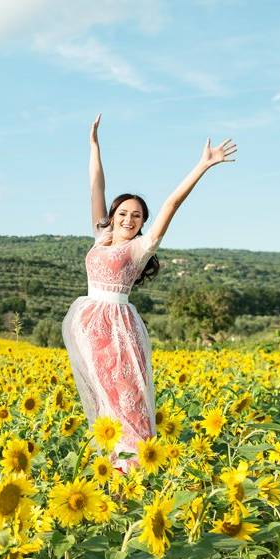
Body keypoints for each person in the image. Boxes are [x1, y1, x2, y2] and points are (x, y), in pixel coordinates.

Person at [62, 113, 236, 470]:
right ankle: (113, 465)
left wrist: (202, 165)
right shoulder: (102, 235)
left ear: (142, 222)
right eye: (124, 213)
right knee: (105, 398)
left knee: (129, 397)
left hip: (118, 329)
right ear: (114, 215)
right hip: (90, 327)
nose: (129, 219)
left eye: (137, 216)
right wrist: (94, 145)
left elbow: (172, 203)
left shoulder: (141, 247)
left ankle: (136, 465)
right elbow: (96, 186)